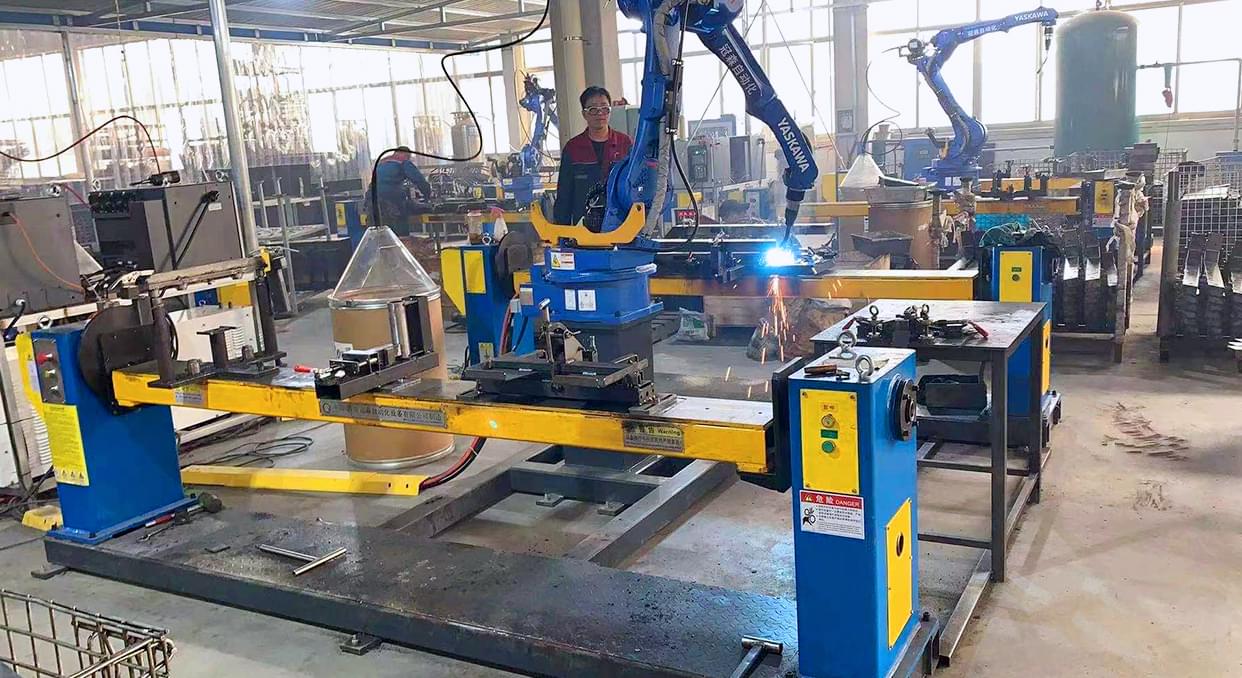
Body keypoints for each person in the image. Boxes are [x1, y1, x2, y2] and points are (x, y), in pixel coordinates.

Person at [553, 86, 633, 226]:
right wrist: (561, 232)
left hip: (621, 226)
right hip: (583, 228)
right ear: (584, 114)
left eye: (604, 108)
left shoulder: (625, 144)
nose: (600, 113)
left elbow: (635, 186)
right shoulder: (573, 148)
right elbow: (564, 196)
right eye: (593, 109)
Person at [370, 146, 432, 235]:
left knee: (380, 232)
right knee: (400, 227)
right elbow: (419, 180)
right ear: (407, 155)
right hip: (392, 199)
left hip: (372, 198)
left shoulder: (381, 162)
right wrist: (428, 195)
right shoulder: (404, 162)